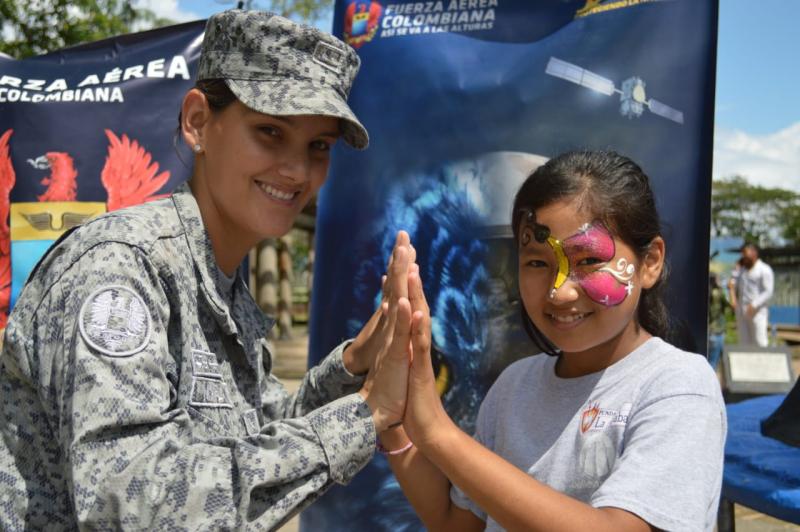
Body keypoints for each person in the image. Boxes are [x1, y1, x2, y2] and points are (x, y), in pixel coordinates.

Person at [0, 10, 414, 530]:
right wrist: (364, 417)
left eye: (318, 147)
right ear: (198, 122)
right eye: (269, 131)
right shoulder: (121, 268)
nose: (297, 170)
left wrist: (352, 368)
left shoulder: (221, 283)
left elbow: (256, 443)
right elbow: (130, 504)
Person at [381, 151, 727, 531]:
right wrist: (396, 420)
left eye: (589, 260)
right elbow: (459, 524)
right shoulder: (513, 385)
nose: (559, 292)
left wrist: (437, 433)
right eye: (537, 263)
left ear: (650, 262)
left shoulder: (677, 385)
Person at [728, 243, 774, 347]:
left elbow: (768, 291)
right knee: (744, 344)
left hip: (757, 312)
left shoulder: (764, 269)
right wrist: (736, 269)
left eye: (745, 253)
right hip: (742, 312)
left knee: (760, 342)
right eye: (742, 254)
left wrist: (754, 304)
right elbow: (732, 284)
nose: (743, 257)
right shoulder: (742, 271)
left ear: (754, 253)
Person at [707, 272, 731, 369]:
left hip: (706, 332)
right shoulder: (720, 293)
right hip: (717, 332)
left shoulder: (703, 292)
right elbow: (730, 305)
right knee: (713, 363)